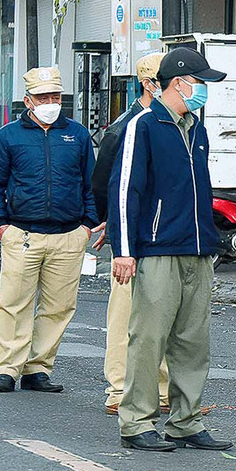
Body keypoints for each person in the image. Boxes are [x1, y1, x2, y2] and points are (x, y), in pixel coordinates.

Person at [107, 47, 232, 453]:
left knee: (193, 341)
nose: (205, 91)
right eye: (201, 83)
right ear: (179, 83)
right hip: (157, 248)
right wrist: (123, 249)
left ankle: (186, 421)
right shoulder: (143, 124)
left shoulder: (197, 128)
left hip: (197, 248)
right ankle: (136, 422)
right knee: (148, 338)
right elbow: (125, 188)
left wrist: (209, 243)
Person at [0, 66, 99, 393]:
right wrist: (0, 224)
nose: (50, 102)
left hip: (68, 235)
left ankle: (38, 368)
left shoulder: (76, 135)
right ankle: (6, 368)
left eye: (55, 96)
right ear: (27, 100)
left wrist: (87, 225)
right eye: (43, 97)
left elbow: (90, 184)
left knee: (59, 306)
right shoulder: (9, 136)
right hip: (22, 234)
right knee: (13, 303)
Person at [91, 52, 171, 416]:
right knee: (125, 314)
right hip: (130, 234)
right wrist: (112, 221)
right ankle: (120, 388)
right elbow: (104, 182)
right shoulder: (125, 126)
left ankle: (162, 389)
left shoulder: (178, 122)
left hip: (166, 234)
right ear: (148, 83)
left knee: (165, 314)